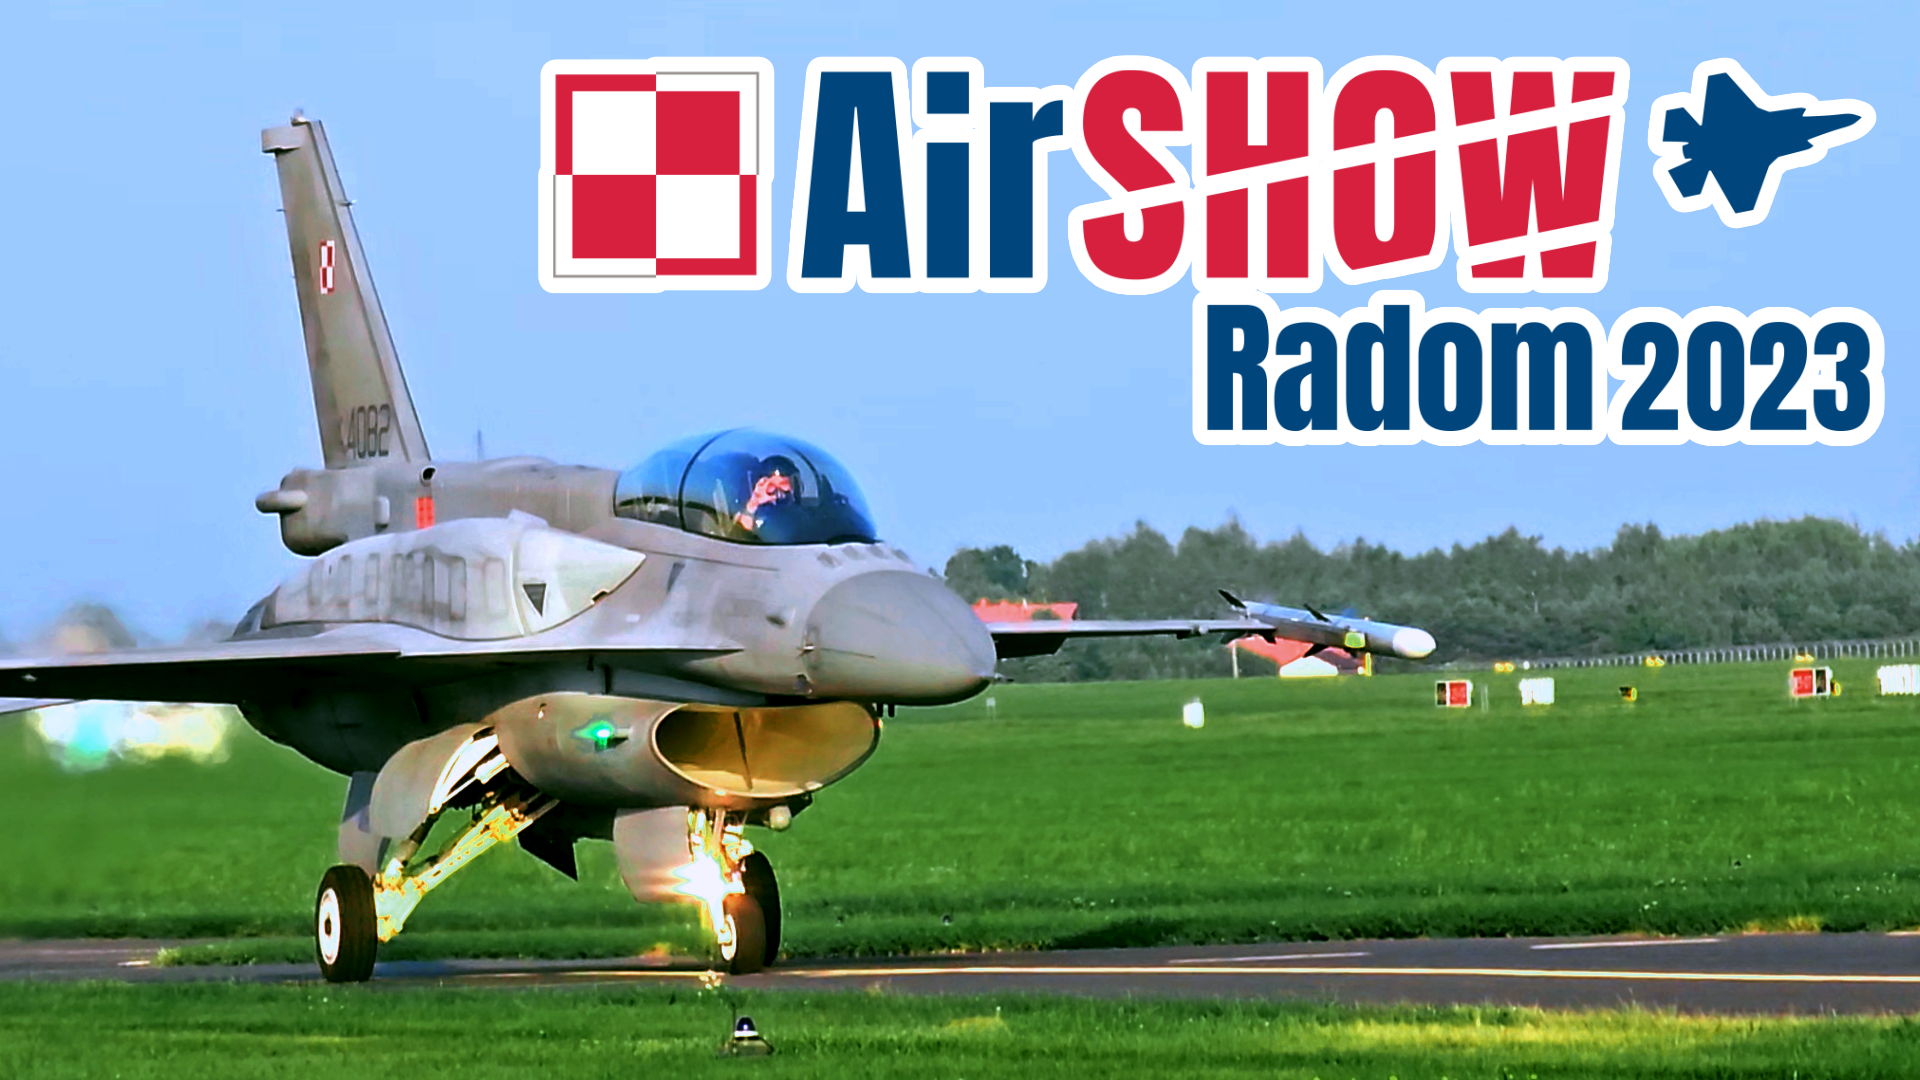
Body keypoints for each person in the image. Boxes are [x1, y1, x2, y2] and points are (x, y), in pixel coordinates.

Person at [734, 456, 800, 534]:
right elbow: (740, 535)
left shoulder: (798, 517)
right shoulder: (750, 511)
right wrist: (754, 503)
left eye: (784, 484)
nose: (779, 493)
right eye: (772, 486)